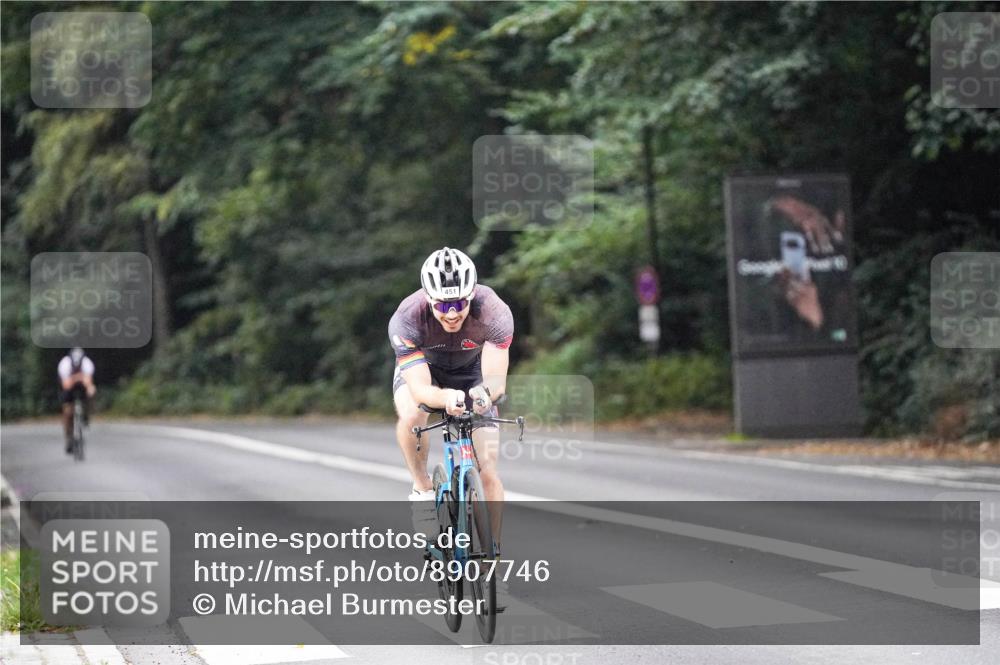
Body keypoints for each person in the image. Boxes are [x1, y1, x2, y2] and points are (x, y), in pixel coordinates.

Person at [388, 247, 513, 550]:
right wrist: (445, 397)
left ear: (471, 296)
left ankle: (492, 559)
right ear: (428, 299)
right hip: (425, 372)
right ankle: (422, 489)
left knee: (488, 472)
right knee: (412, 415)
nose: (452, 313)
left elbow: (495, 382)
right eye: (443, 306)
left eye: (459, 303)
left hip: (472, 374)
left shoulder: (494, 311)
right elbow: (420, 390)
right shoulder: (407, 318)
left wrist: (484, 394)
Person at [58, 347, 95, 453]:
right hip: (69, 387)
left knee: (91, 392)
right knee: (67, 412)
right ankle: (68, 438)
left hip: (81, 386)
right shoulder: (64, 364)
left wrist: (89, 389)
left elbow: (88, 382)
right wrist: (79, 377)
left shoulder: (87, 363)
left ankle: (86, 414)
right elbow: (66, 385)